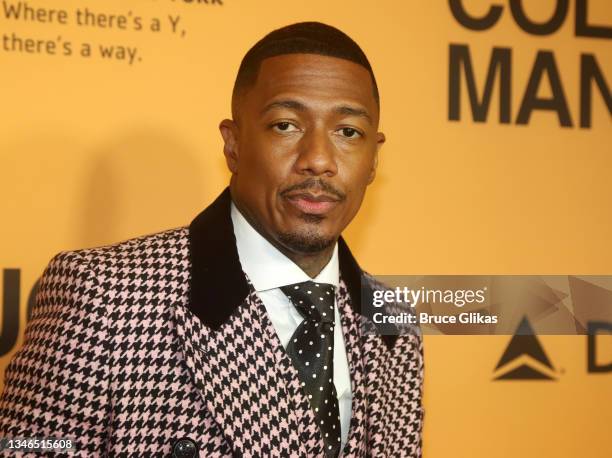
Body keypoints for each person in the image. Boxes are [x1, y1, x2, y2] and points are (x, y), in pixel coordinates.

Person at [0, 22, 423, 457]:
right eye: (285, 125)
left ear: (374, 157)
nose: (318, 159)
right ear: (234, 143)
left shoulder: (394, 323)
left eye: (348, 132)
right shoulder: (105, 294)